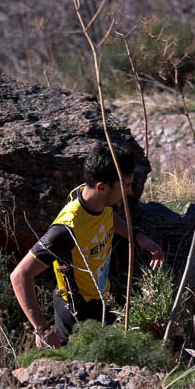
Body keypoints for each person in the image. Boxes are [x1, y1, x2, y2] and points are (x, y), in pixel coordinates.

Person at [10, 144, 165, 348]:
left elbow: (107, 217)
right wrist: (42, 330)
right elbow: (20, 275)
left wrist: (136, 235)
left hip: (103, 300)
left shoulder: (97, 201)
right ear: (101, 187)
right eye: (125, 185)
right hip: (76, 313)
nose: (130, 191)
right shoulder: (66, 228)